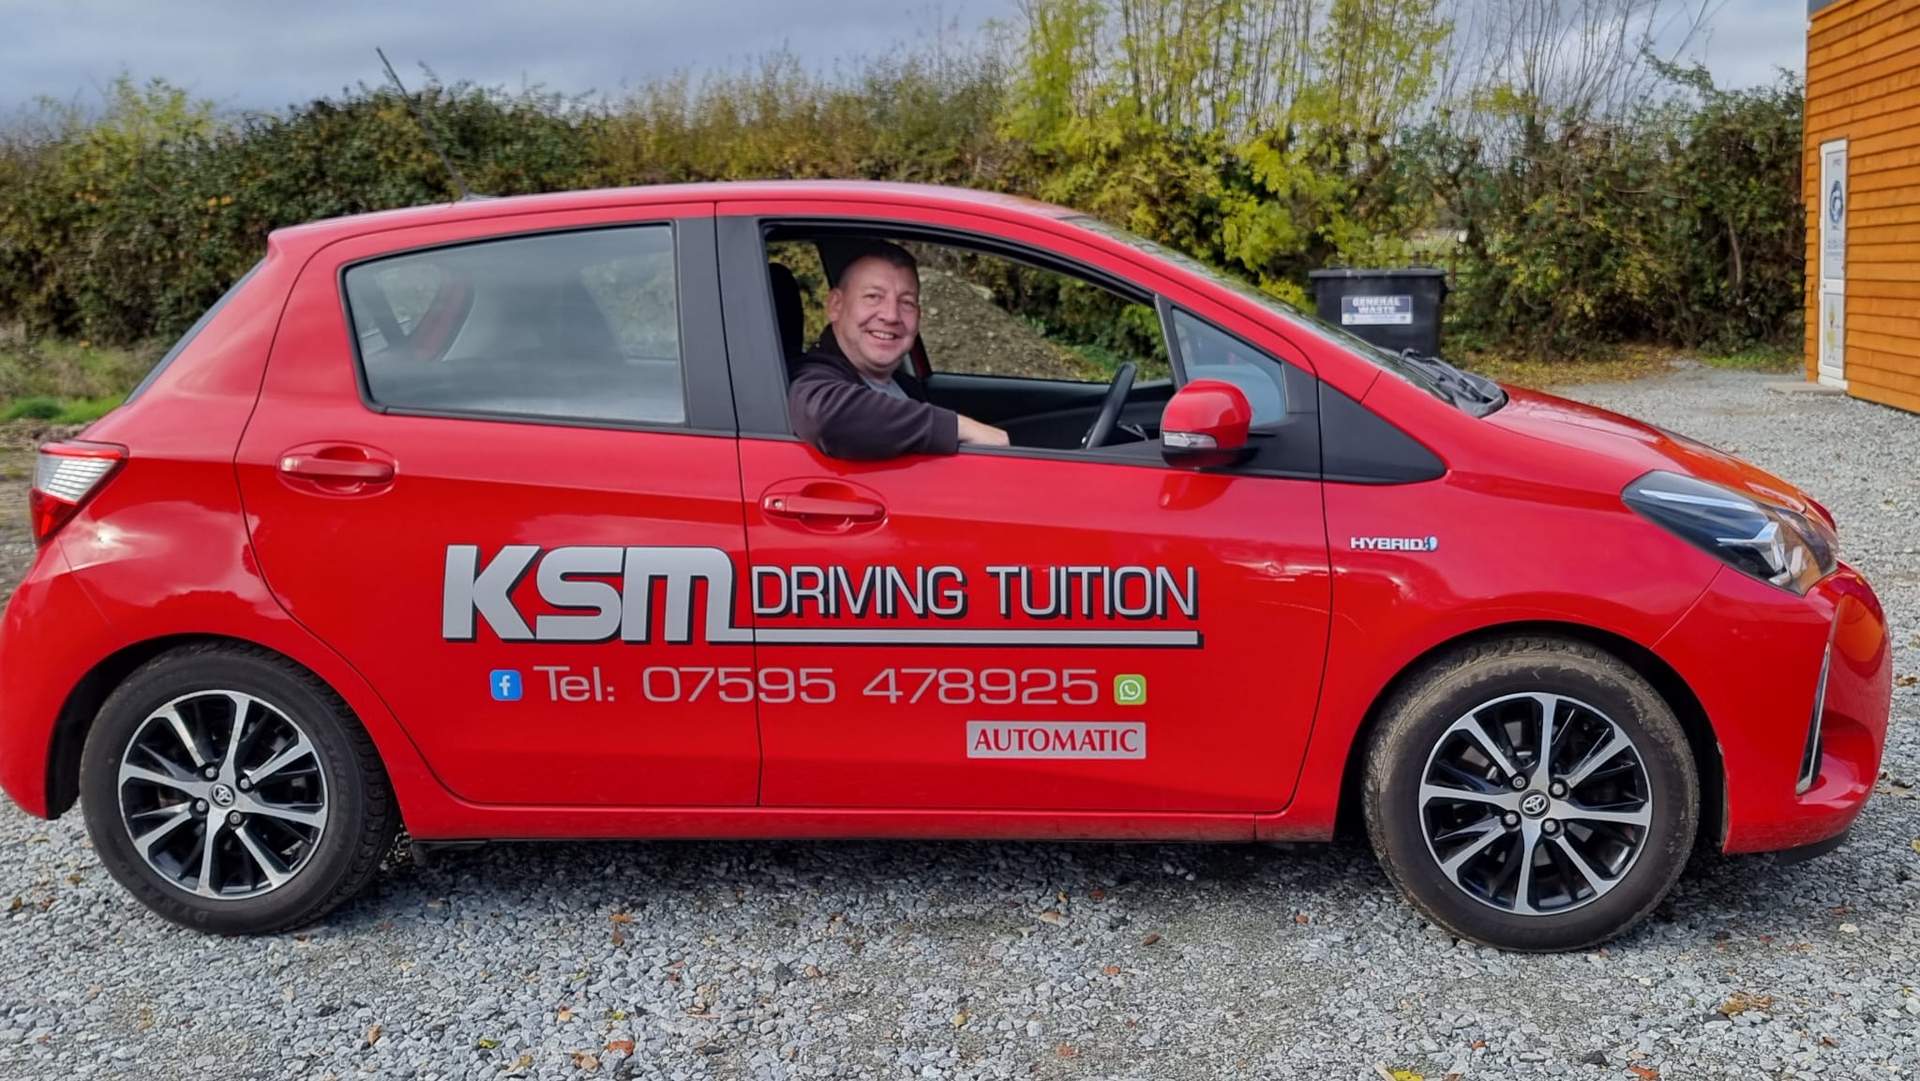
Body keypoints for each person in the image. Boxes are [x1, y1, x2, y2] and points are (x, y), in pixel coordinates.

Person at [787, 242, 1009, 460]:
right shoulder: (812, 376)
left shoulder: (904, 386)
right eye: (873, 297)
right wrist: (957, 427)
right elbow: (827, 418)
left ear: (919, 316)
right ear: (836, 305)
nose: (891, 315)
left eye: (906, 302)